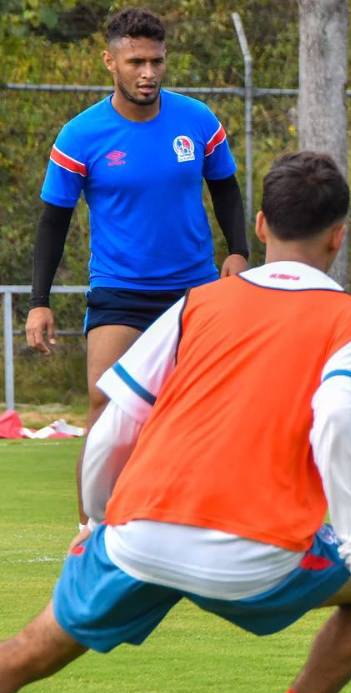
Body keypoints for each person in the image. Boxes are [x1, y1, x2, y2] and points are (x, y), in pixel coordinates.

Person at [0, 151, 351, 693]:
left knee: (24, 653)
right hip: (254, 554)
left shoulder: (199, 301)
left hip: (139, 537)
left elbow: (116, 417)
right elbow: (333, 417)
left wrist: (94, 522)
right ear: (339, 235)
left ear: (263, 225)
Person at [24, 7, 249, 536]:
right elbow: (52, 223)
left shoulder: (197, 122)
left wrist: (238, 252)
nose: (148, 72)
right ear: (111, 62)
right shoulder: (81, 135)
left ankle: (201, 522)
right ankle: (88, 532)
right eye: (136, 61)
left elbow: (228, 192)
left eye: (156, 60)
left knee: (203, 410)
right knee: (105, 406)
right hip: (118, 292)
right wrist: (39, 301)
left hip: (194, 293)